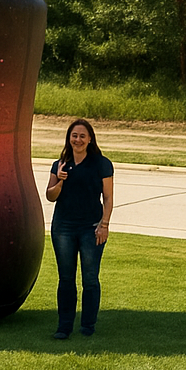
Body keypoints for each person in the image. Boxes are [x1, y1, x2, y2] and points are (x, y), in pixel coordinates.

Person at [45, 118, 114, 339]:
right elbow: (50, 196)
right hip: (63, 227)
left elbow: (108, 197)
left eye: (82, 136)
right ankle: (64, 327)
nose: (78, 140)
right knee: (66, 279)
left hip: (91, 227)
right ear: (69, 138)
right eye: (74, 136)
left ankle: (87, 326)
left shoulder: (101, 164)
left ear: (90, 139)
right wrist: (60, 181)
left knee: (90, 278)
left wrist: (104, 224)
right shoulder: (60, 165)